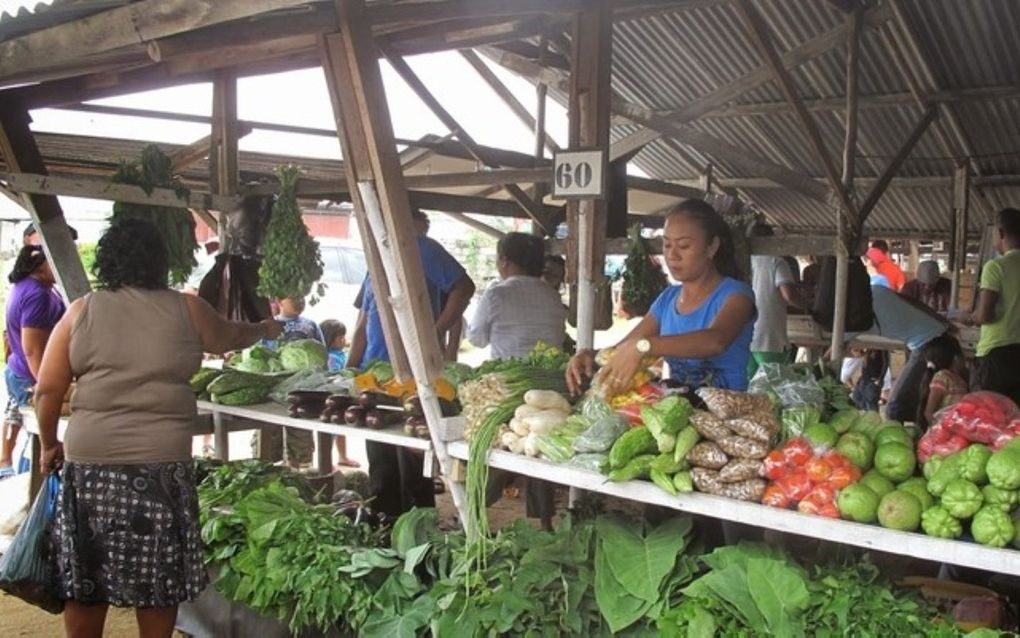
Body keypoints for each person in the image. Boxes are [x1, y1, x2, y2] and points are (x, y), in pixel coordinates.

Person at [33, 218, 282, 638]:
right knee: (157, 580)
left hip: (92, 461)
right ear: (159, 262)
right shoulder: (187, 308)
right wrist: (264, 328)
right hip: (161, 465)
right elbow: (229, 337)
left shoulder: (82, 310)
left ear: (110, 259)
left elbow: (47, 390)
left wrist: (47, 445)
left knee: (87, 577)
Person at [348, 209, 475, 517]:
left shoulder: (421, 248)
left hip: (413, 374)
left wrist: (435, 332)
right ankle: (386, 527)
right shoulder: (375, 260)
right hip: (375, 377)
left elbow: (464, 287)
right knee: (381, 460)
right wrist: (350, 367)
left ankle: (419, 534)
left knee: (414, 459)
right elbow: (364, 320)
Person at [566, 199, 755, 395]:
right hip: (679, 411)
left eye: (683, 245)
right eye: (666, 244)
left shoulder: (736, 295)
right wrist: (590, 356)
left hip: (727, 416)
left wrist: (644, 347)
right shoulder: (668, 299)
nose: (672, 255)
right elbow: (624, 347)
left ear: (711, 247)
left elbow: (716, 341)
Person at [468, 233, 566, 530]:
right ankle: (545, 522)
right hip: (550, 387)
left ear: (504, 261)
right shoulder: (551, 294)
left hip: (506, 387)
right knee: (538, 450)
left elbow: (476, 337)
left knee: (494, 448)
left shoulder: (497, 294)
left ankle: (476, 513)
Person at [1, 245, 65, 478]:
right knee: (41, 436)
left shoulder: (37, 287)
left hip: (22, 371)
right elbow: (32, 349)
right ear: (42, 263)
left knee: (37, 435)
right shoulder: (37, 294)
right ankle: (34, 486)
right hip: (30, 375)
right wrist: (47, 387)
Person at [862, 285, 951, 424]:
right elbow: (914, 303)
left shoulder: (852, 314)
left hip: (930, 345)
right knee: (917, 403)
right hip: (938, 338)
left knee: (895, 408)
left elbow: (835, 351)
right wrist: (941, 320)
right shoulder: (876, 290)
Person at [963, 207, 1020, 405]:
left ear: (1001, 233)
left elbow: (984, 316)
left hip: (996, 353)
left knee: (990, 415)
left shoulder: (995, 267)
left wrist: (968, 317)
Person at [748, 224, 800, 378]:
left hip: (745, 336)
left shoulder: (744, 262)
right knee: (774, 387)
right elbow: (789, 295)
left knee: (747, 388)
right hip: (769, 337)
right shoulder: (776, 262)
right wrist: (806, 305)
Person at [321, 319, 359, 469]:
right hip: (332, 397)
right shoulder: (330, 357)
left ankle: (343, 456)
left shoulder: (342, 354)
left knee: (340, 429)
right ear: (329, 339)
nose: (344, 340)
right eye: (340, 338)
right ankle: (326, 460)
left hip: (343, 396)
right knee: (330, 432)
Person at [916, 334, 968, 432]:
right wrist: (940, 431)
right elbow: (929, 412)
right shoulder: (942, 377)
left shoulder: (960, 380)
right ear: (956, 358)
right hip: (944, 432)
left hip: (956, 430)